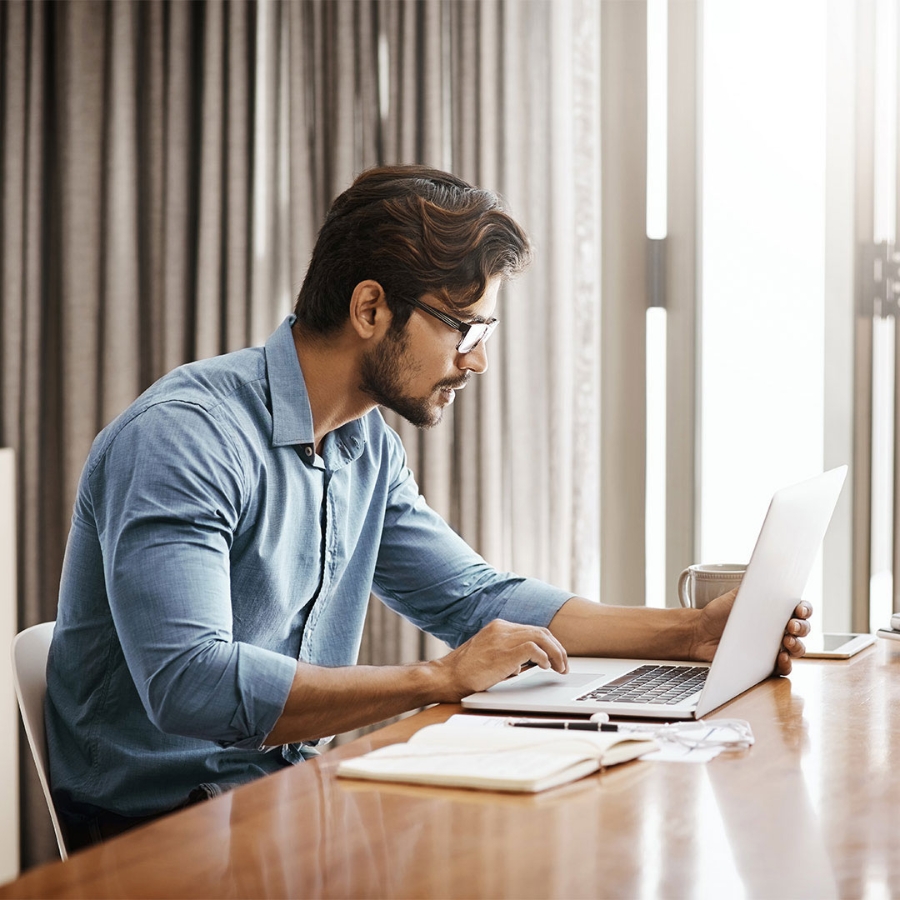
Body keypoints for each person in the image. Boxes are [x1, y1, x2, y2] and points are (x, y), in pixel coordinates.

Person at [45, 165, 811, 848]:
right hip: (161, 833)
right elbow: (192, 684)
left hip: (295, 798)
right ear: (372, 308)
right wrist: (437, 679)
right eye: (464, 327)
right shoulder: (185, 438)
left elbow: (474, 598)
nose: (476, 359)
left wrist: (693, 634)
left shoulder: (362, 445)